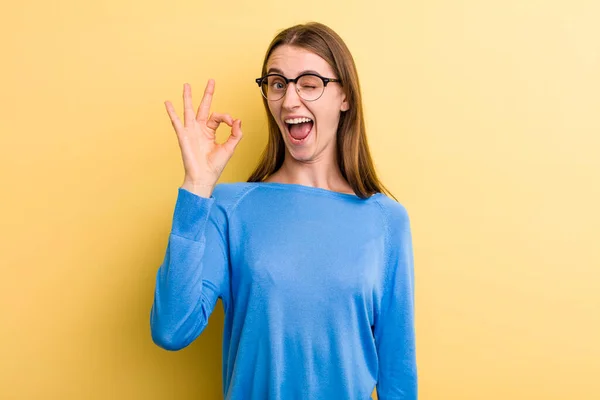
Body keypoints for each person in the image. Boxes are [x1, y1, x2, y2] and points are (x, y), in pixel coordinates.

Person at [150, 22, 417, 400]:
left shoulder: (387, 221)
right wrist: (196, 186)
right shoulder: (229, 208)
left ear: (345, 97)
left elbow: (398, 376)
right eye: (277, 83)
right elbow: (171, 329)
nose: (289, 100)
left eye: (309, 83)